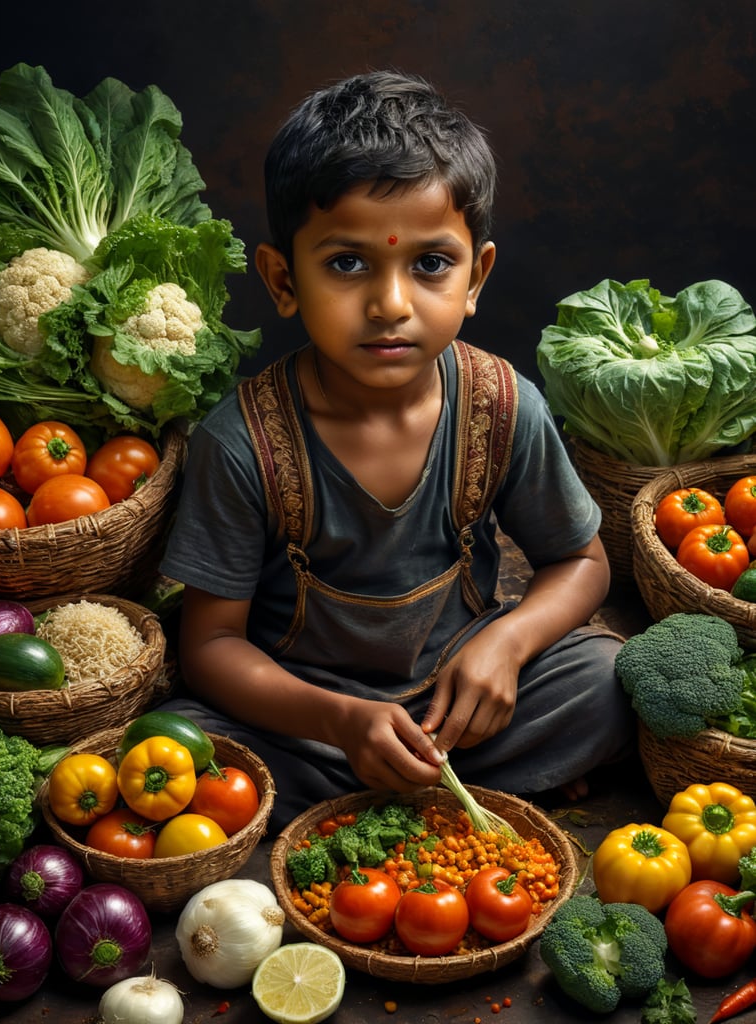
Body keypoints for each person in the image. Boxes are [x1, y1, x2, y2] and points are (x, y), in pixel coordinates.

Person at [159, 70, 634, 832]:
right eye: (347, 263)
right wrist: (343, 722)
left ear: (475, 276)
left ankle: (424, 783)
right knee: (189, 741)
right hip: (310, 726)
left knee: (606, 679)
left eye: (429, 265)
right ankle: (459, 791)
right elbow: (210, 645)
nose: (390, 303)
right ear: (283, 280)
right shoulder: (243, 442)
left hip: (460, 706)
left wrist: (507, 647)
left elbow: (581, 565)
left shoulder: (500, 404)